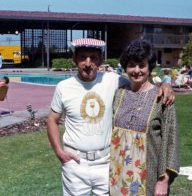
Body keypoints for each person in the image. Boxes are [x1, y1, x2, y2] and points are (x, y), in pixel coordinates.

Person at [47, 38, 174, 196]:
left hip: (107, 163)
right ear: (74, 59)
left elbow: (141, 80)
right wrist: (59, 151)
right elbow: (52, 120)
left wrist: (165, 85)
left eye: (93, 58)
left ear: (100, 60)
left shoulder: (113, 81)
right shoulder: (63, 87)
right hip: (75, 163)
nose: (88, 63)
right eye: (82, 57)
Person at [109, 39, 179, 196]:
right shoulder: (119, 94)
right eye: (131, 65)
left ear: (149, 67)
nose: (136, 70)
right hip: (118, 175)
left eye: (142, 65)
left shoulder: (163, 98)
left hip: (149, 177)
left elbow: (171, 141)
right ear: (125, 67)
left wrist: (164, 180)